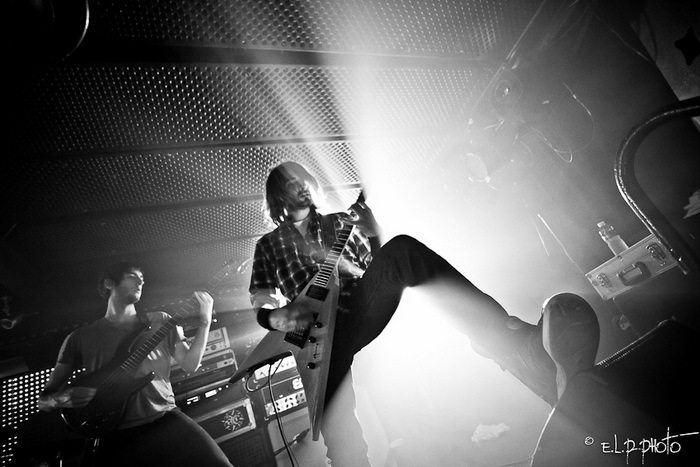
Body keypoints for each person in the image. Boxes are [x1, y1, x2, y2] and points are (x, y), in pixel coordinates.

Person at [249, 161, 601, 466]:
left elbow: (376, 268)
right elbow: (261, 298)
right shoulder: (268, 245)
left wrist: (374, 234)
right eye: (291, 183)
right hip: (315, 339)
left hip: (356, 310)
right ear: (278, 195)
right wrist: (274, 318)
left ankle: (517, 346)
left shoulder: (339, 222)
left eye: (304, 180)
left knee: (402, 250)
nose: (302, 187)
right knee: (342, 438)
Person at [36, 261, 233, 467]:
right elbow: (43, 401)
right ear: (109, 283)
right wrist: (58, 398)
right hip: (114, 435)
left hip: (165, 419)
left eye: (142, 279)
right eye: (132, 277)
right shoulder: (79, 338)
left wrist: (205, 322)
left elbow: (190, 364)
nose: (140, 283)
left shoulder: (160, 321)